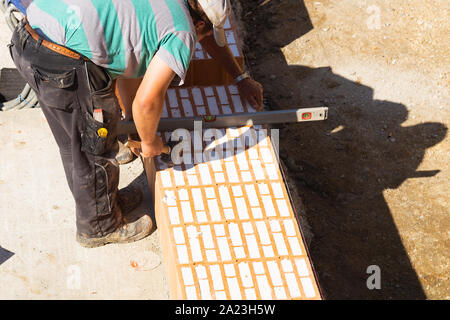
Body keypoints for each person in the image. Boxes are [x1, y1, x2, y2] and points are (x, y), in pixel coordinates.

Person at [8, 0, 263, 248]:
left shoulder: (167, 10)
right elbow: (147, 102)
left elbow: (136, 60)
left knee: (73, 142)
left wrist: (240, 77)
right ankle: (99, 227)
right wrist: (151, 141)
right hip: (60, 59)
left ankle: (102, 204)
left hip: (30, 34)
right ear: (200, 25)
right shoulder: (182, 31)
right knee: (95, 145)